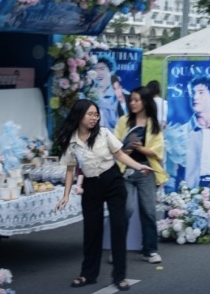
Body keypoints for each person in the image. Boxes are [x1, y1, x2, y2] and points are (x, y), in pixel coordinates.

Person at [54, 99, 153, 291]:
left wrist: (140, 166)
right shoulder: (71, 141)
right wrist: (65, 195)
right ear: (79, 115)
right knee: (91, 231)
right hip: (91, 186)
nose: (94, 118)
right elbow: (70, 170)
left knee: (118, 227)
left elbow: (121, 155)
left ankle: (119, 276)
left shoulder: (104, 133)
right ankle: (88, 275)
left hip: (113, 181)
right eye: (90, 114)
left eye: (96, 114)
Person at [114, 87, 167, 265]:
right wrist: (125, 148)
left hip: (146, 170)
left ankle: (150, 250)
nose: (133, 103)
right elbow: (114, 145)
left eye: (136, 100)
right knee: (125, 209)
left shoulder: (154, 124)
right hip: (126, 169)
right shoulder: (123, 121)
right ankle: (117, 250)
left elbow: (158, 151)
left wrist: (139, 147)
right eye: (131, 100)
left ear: (145, 102)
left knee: (149, 210)